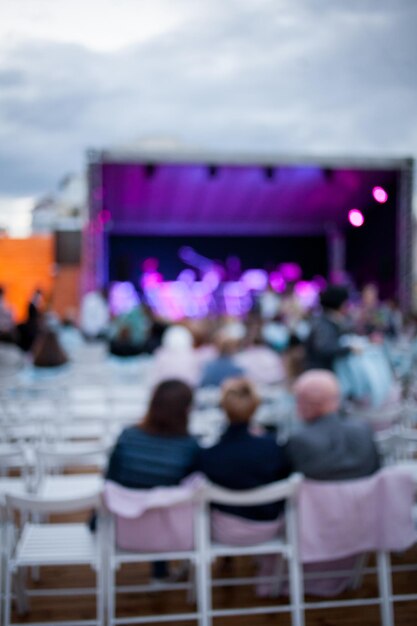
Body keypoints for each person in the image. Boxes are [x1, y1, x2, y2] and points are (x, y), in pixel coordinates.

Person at [105, 379, 199, 580]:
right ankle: (161, 572)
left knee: (151, 497)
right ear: (186, 410)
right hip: (172, 535)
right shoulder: (190, 447)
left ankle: (161, 571)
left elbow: (110, 481)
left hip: (124, 531)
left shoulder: (127, 437)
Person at [198, 378, 291, 520]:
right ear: (255, 407)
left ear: (223, 407)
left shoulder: (209, 455)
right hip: (268, 525)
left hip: (224, 529)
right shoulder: (273, 449)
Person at [286, 370, 380, 480]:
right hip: (367, 496)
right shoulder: (363, 430)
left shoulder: (298, 441)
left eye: (298, 400)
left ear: (306, 404)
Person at [304, 285, 353, 371]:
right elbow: (324, 348)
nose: (348, 308)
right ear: (339, 304)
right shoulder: (322, 323)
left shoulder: (328, 320)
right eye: (346, 304)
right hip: (320, 372)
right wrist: (349, 349)